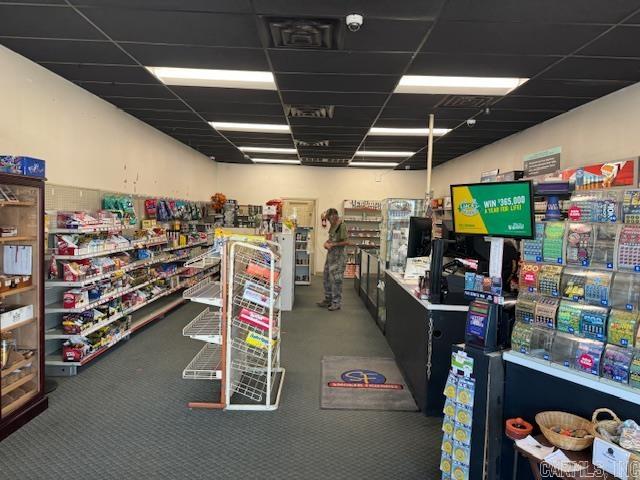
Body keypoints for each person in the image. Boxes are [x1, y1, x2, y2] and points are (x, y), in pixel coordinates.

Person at [317, 208, 349, 311]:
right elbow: (331, 238)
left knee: (336, 280)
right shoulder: (333, 225)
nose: (328, 221)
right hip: (331, 256)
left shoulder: (341, 226)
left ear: (334, 216)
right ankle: (328, 299)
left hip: (339, 257)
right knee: (326, 277)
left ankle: (336, 302)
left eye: (329, 218)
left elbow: (346, 242)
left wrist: (333, 244)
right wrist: (326, 243)